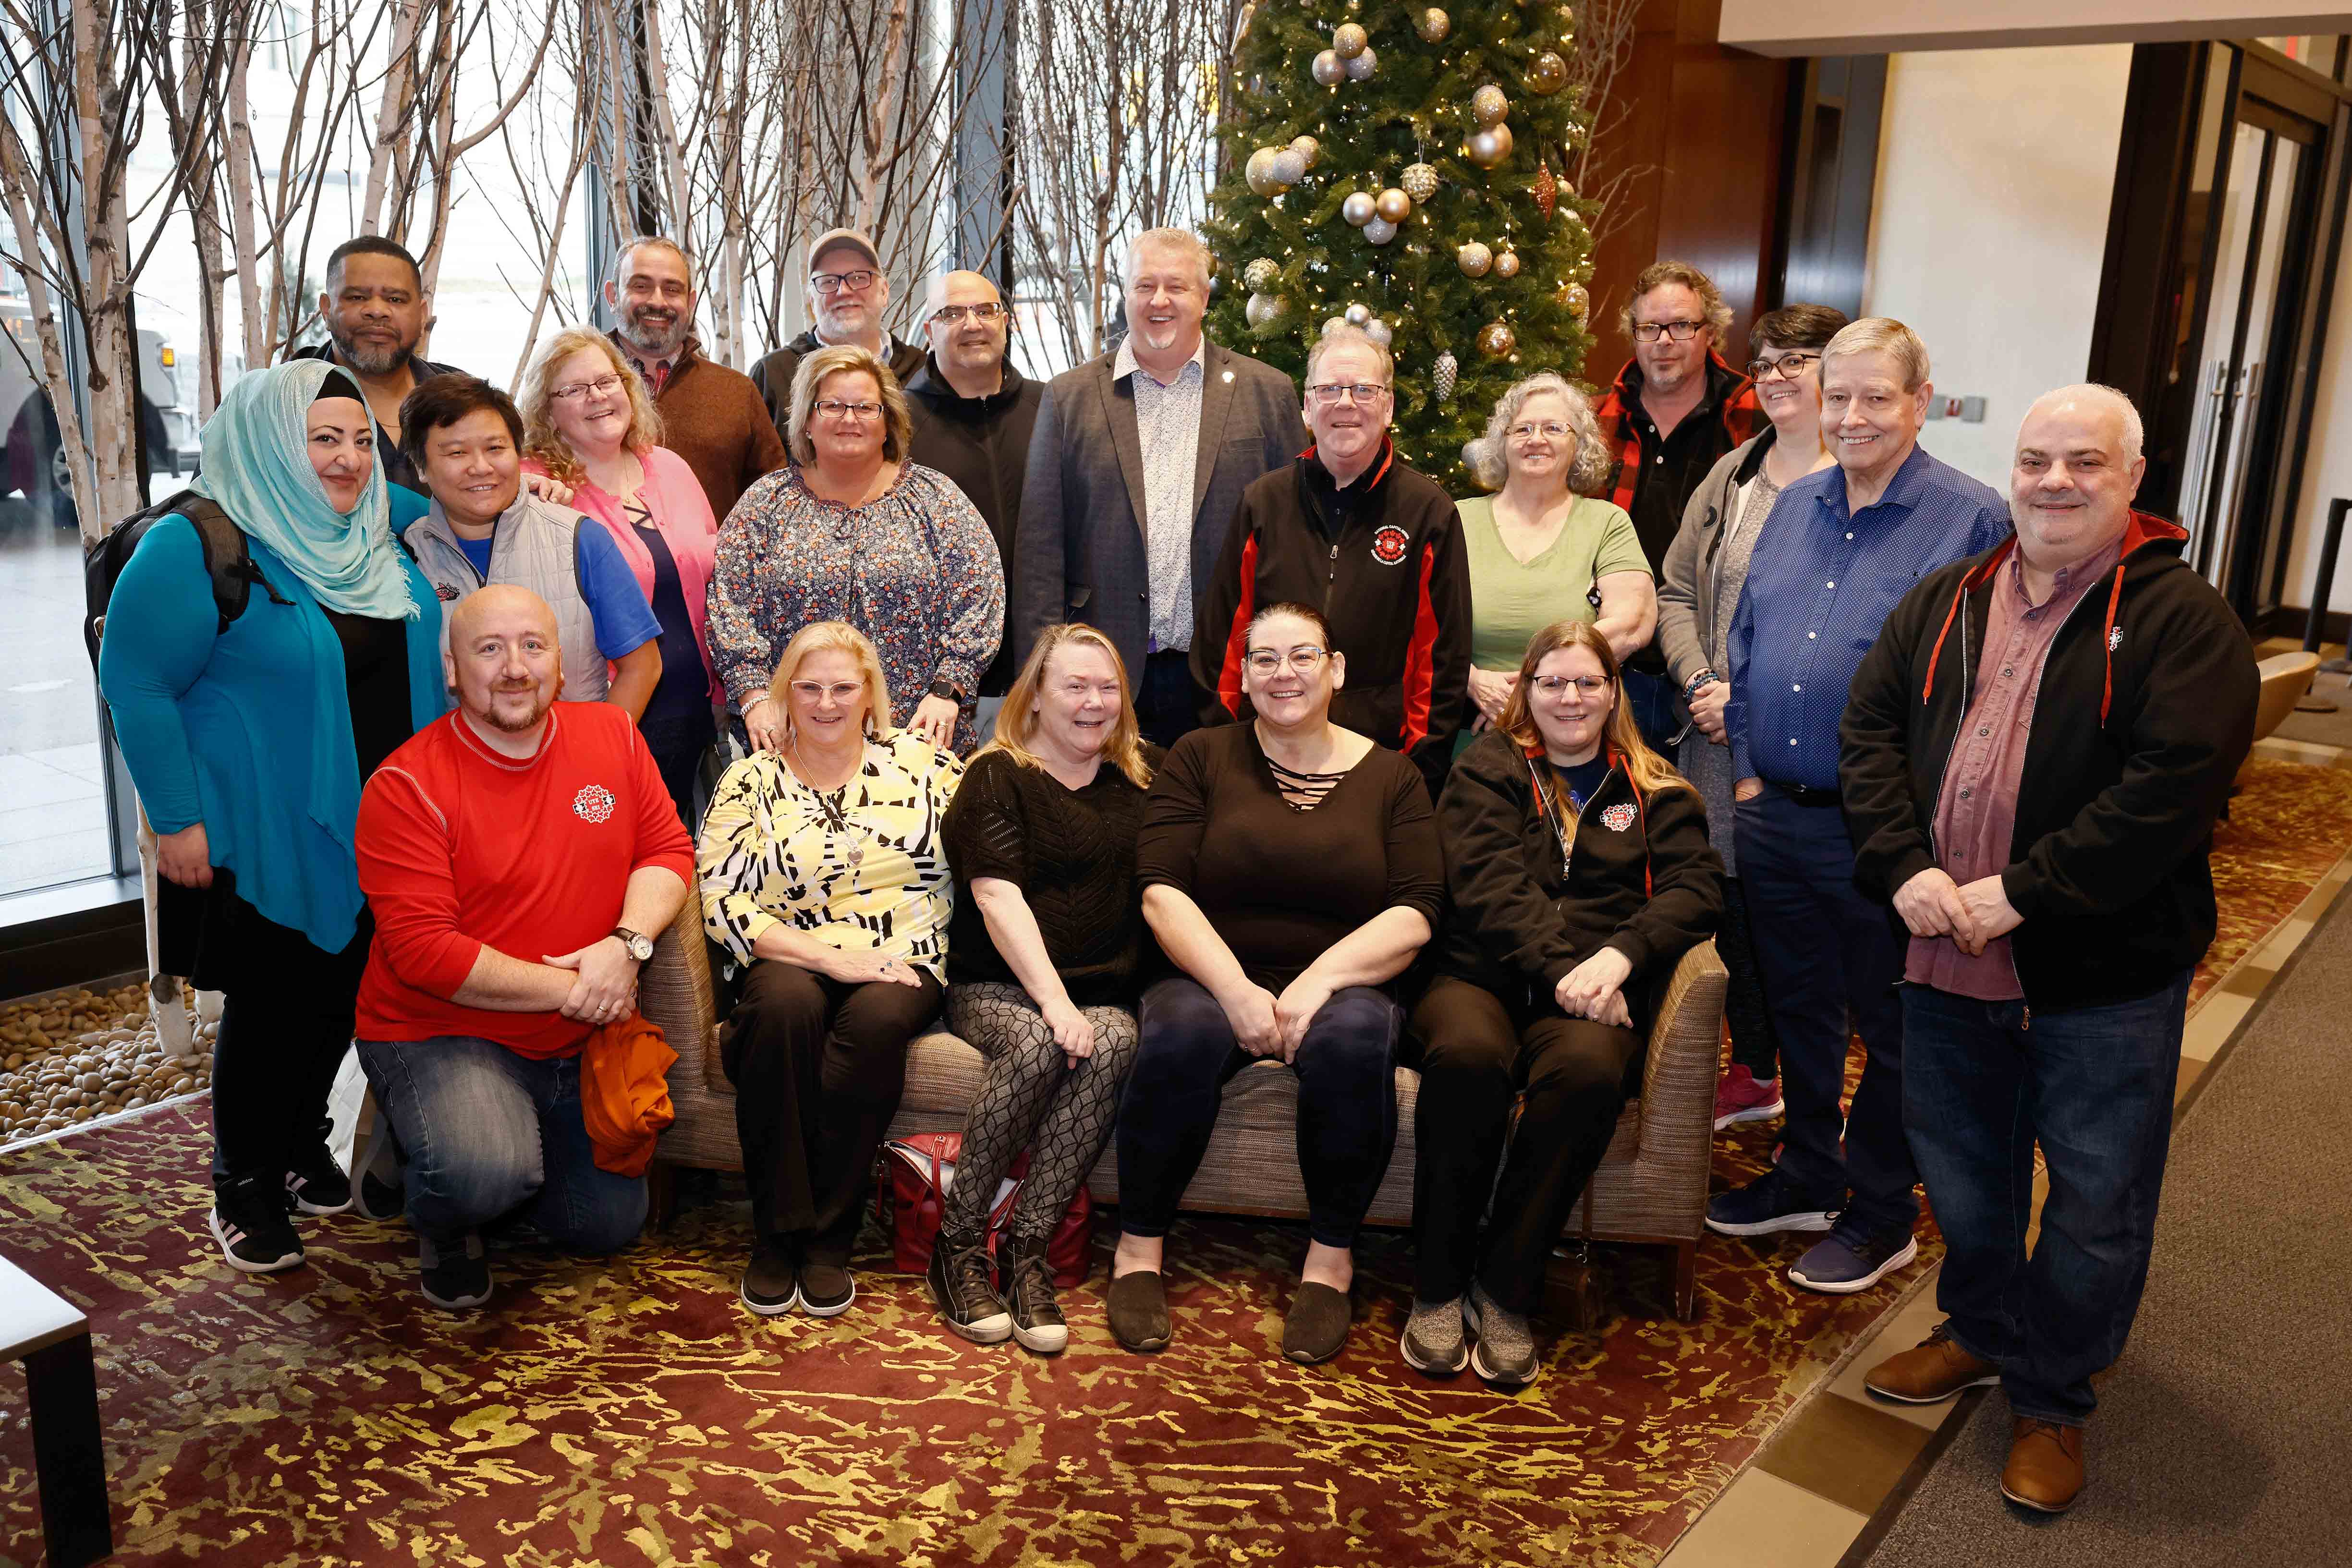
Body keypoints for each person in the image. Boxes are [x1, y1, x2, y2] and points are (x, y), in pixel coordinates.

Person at [1842, 386, 2256, 1513]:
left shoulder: (2182, 619)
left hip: (2097, 975)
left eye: (2084, 461)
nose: (2053, 481)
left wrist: (2022, 893)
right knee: (1964, 1179)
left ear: (2130, 480)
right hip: (1941, 954)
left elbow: (2170, 791)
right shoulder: (1951, 596)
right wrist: (1906, 869)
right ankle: (1977, 1329)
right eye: (2035, 460)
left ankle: (2052, 1397)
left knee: (2091, 1197)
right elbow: (1869, 729)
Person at [97, 359, 448, 1275]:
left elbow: (470, 495)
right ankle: (243, 1182)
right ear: (264, 441)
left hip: (382, 818)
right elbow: (134, 681)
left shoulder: (377, 526)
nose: (347, 460)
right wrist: (176, 821)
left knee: (340, 990)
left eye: (361, 440)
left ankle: (301, 1144)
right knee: (273, 1006)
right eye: (321, 438)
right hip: (262, 829)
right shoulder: (198, 544)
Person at [1708, 317, 2010, 1293]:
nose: (1853, 416)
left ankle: (1882, 1210)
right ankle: (1806, 1171)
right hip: (1775, 814)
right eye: (1838, 396)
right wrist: (1749, 772)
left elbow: (1986, 690)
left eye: (1877, 397)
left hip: (1885, 833)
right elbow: (1747, 640)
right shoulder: (1794, 506)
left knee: (1893, 1028)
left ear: (1921, 402)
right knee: (1797, 1007)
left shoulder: (1972, 521)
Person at [1109, 602, 1443, 1365]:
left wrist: (1316, 984)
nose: (1283, 674)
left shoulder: (1394, 776)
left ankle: (1330, 1263)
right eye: (1264, 659)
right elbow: (1160, 890)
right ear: (1243, 674)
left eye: (1301, 656)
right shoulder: (1198, 755)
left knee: (1356, 1040)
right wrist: (1233, 992)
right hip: (1209, 970)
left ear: (1337, 669)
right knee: (1182, 1032)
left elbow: (1417, 911)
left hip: (1346, 978)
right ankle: (1138, 1248)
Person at [353, 585, 694, 1309]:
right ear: (452, 669)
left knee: (605, 1226)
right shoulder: (406, 785)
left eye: (532, 646)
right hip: (441, 1033)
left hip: (574, 1042)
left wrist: (626, 945)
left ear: (561, 664)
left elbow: (666, 850)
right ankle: (444, 1203)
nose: (514, 667)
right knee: (484, 1174)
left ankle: (462, 1146)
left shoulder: (612, 737)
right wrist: (584, 987)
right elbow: (426, 954)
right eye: (489, 648)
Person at [1405, 620, 1722, 1386]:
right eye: (1551, 681)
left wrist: (1617, 959)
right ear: (1526, 691)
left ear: (1613, 692)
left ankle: (1505, 1288)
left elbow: (1697, 889)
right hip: (1478, 978)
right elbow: (1487, 889)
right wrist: (1567, 974)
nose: (1570, 697)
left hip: (1593, 996)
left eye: (1587, 682)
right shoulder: (1486, 769)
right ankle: (1438, 1288)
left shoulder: (1659, 788)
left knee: (1587, 1076)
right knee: (1467, 1059)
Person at [698, 621, 963, 1319]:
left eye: (843, 687)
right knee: (783, 1011)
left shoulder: (927, 768)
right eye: (808, 687)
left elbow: (993, 853)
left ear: (871, 693)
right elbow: (721, 898)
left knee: (874, 1022)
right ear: (785, 693)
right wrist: (830, 956)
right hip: (789, 950)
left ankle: (827, 1237)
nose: (825, 702)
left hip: (903, 958)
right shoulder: (750, 779)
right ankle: (776, 1233)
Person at [927, 623, 1158, 1354]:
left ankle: (1027, 1252)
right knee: (1032, 1043)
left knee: (1116, 1038)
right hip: (996, 987)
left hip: (1100, 991)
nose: (1094, 702)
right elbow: (998, 901)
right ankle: (959, 1244)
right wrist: (1055, 1004)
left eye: (1107, 687)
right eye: (1075, 686)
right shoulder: (996, 774)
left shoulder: (1141, 781)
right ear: (1034, 697)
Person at [1655, 303, 1849, 1134]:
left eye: (1794, 361)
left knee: (1794, 927)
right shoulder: (1734, 474)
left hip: (1797, 753)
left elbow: (1843, 633)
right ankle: (1753, 1066)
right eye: (1763, 362)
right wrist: (1700, 677)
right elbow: (1674, 591)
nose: (1772, 376)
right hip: (1708, 733)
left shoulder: (1859, 481)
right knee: (1725, 903)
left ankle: (1797, 1091)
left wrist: (1749, 706)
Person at [1012, 228, 1308, 748]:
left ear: (1205, 297)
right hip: (1101, 679)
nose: (1159, 301)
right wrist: (1039, 678)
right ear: (1125, 295)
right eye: (1144, 286)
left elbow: (1293, 545)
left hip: (1228, 673)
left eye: (1177, 286)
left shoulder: (1268, 393)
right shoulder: (1068, 398)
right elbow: (1040, 552)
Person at [1192, 324, 1470, 797]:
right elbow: (1222, 643)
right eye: (1329, 390)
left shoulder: (1428, 511)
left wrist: (1416, 772)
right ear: (1306, 406)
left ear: (1387, 408)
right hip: (1263, 759)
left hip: (1381, 762)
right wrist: (1229, 752)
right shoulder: (1263, 503)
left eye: (1364, 389)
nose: (1345, 403)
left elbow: (1440, 658)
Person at [706, 344, 1004, 756]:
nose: (849, 419)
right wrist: (754, 699)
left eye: (866, 407)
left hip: (917, 739)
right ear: (808, 420)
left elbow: (980, 595)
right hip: (789, 741)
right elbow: (729, 607)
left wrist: (947, 691)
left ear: (888, 424)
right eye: (832, 406)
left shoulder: (936, 499)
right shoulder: (764, 505)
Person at [520, 328, 723, 825]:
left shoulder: (670, 467)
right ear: (547, 412)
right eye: (574, 390)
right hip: (612, 715)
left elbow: (716, 575)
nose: (597, 397)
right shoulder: (537, 487)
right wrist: (523, 489)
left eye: (606, 381)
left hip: (696, 707)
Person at [397, 375, 664, 714]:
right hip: (455, 762)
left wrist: (600, 752)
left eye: (495, 448)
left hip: (571, 758)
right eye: (457, 452)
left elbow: (643, 666)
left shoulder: (578, 538)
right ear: (421, 466)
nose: (480, 467)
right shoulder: (407, 555)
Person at [1593, 261, 1761, 746]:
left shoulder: (1752, 416)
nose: (1664, 341)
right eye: (1650, 328)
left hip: (1708, 670)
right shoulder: (1598, 417)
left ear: (1710, 332)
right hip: (1614, 659)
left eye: (1681, 325)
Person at [1456, 372, 1653, 745]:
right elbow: (1418, 625)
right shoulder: (1456, 519)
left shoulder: (1606, 522)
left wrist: (1535, 690)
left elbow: (1631, 624)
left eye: (1553, 428)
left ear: (1579, 444)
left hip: (1574, 727)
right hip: (1471, 728)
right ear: (1501, 443)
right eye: (1522, 429)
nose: (1536, 439)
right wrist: (1472, 681)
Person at [904, 269, 1043, 732]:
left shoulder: (1052, 410)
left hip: (1042, 675)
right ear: (929, 330)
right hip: (934, 692)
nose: (972, 324)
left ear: (1006, 321)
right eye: (953, 313)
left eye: (985, 311)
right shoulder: (896, 425)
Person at [604, 234, 788, 525]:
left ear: (690, 302)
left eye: (672, 289)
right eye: (641, 286)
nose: (657, 301)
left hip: (713, 570)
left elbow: (775, 500)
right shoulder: (574, 390)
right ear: (613, 296)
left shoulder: (736, 393)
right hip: (597, 569)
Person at [288, 236, 460, 503]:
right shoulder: (279, 401)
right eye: (357, 297)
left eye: (396, 299)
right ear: (326, 309)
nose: (378, 311)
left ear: (422, 314)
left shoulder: (464, 399)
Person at [748, 229, 927, 442]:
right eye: (828, 282)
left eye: (860, 278)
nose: (843, 291)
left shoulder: (923, 373)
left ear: (884, 292)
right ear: (812, 301)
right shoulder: (772, 374)